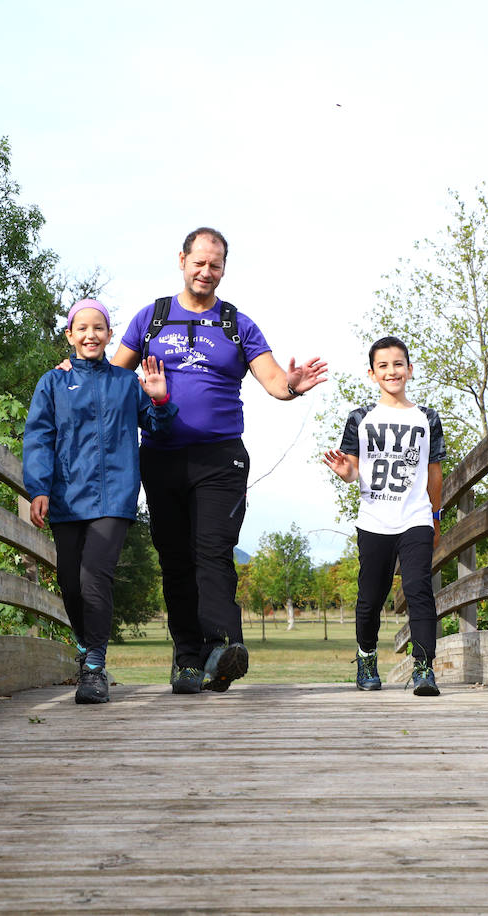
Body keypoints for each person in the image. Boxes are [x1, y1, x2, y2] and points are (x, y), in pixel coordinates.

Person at [111, 227, 327, 694]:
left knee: (212, 552)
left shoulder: (237, 323)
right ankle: (187, 660)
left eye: (216, 265)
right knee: (174, 560)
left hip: (220, 459)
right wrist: (76, 366)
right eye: (199, 262)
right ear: (182, 260)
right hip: (162, 455)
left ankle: (223, 650)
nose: (206, 272)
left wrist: (291, 384)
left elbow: (273, 381)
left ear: (224, 269)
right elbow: (112, 377)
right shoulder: (151, 319)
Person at [23, 299, 177, 704]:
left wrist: (159, 400)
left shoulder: (126, 383)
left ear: (110, 335)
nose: (91, 334)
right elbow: (39, 438)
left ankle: (94, 668)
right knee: (71, 584)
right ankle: (85, 647)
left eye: (100, 328)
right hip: (66, 497)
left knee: (95, 577)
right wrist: (38, 487)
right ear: (70, 335)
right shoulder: (52, 383)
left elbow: (158, 428)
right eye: (83, 328)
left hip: (114, 495)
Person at [322, 336, 445, 696]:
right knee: (370, 597)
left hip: (415, 516)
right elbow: (352, 470)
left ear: (409, 369)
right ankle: (366, 658)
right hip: (374, 518)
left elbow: (434, 472)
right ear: (373, 374)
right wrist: (345, 473)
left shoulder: (427, 418)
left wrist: (435, 516)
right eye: (383, 366)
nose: (392, 371)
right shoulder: (360, 418)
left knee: (419, 590)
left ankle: (424, 668)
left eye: (398, 364)